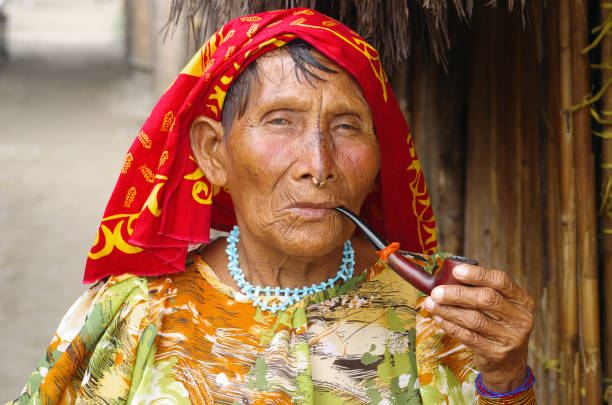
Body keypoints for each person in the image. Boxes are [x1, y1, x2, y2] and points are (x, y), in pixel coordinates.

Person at [9, 8, 536, 404]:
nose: (319, 163)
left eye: (348, 127)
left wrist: (508, 377)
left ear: (380, 157)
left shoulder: (444, 314)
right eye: (281, 121)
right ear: (214, 152)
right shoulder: (138, 314)